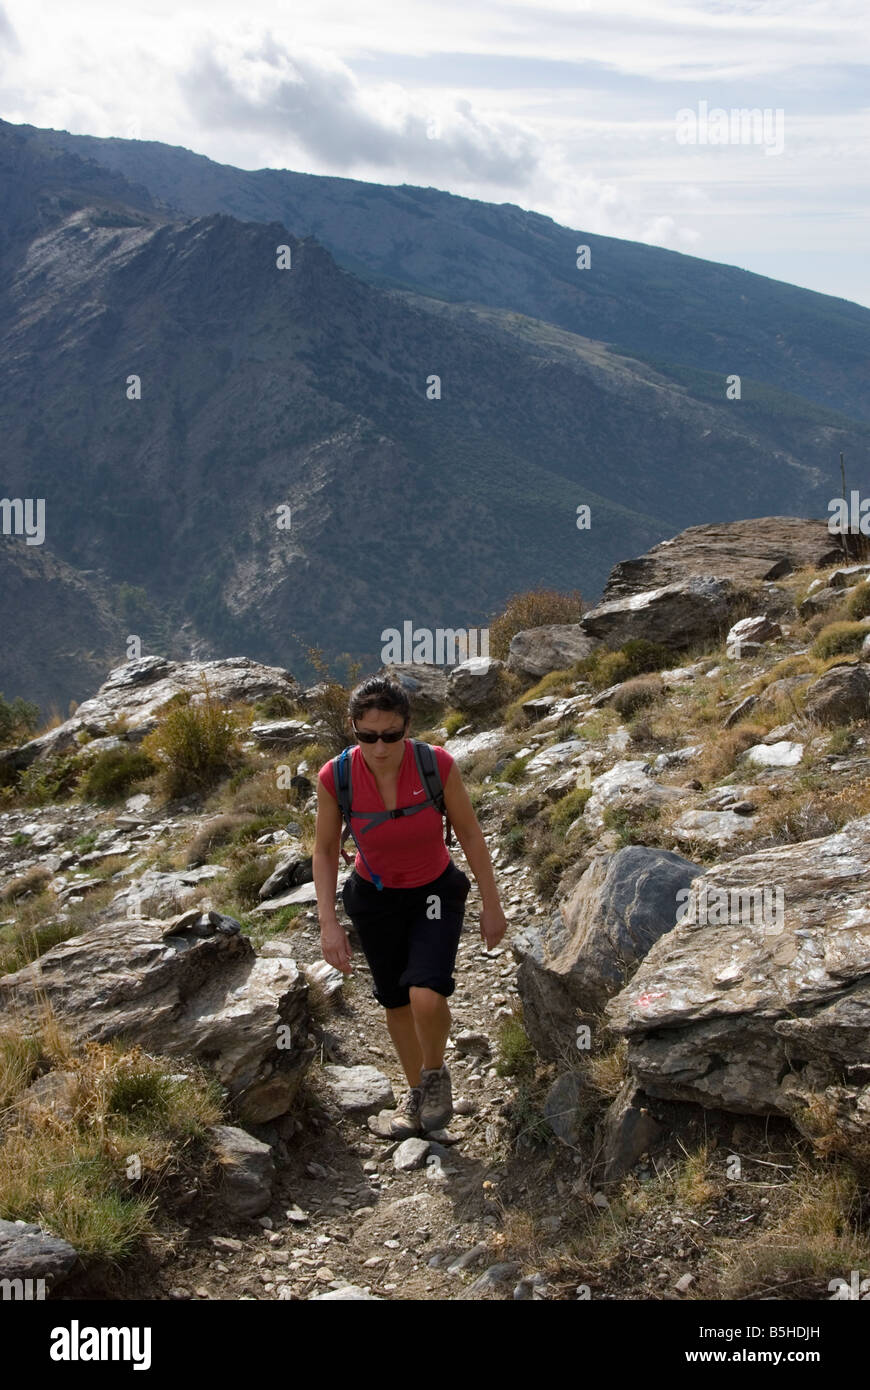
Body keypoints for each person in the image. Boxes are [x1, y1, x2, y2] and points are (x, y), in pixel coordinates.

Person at [313, 675, 508, 1137]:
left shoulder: (435, 765)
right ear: (353, 729)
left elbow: (470, 833)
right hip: (373, 899)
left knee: (425, 990)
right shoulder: (335, 777)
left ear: (408, 726)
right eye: (367, 736)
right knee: (396, 1002)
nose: (379, 747)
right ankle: (416, 1090)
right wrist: (328, 922)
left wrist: (492, 903)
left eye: (391, 735)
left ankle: (435, 1074)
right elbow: (323, 850)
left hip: (434, 892)